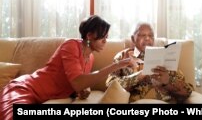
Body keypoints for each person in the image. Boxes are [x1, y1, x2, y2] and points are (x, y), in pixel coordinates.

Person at [0, 15, 136, 119]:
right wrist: (116, 65)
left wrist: (83, 90)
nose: (105, 42)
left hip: (41, 97)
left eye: (107, 37)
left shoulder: (90, 58)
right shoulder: (71, 46)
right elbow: (77, 82)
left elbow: (76, 83)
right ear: (89, 36)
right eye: (102, 38)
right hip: (24, 89)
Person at [106, 22, 194, 103]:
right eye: (142, 35)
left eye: (151, 35)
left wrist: (167, 82)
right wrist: (139, 76)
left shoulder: (166, 56)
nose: (147, 38)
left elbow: (187, 91)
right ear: (133, 38)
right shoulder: (123, 57)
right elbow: (110, 86)